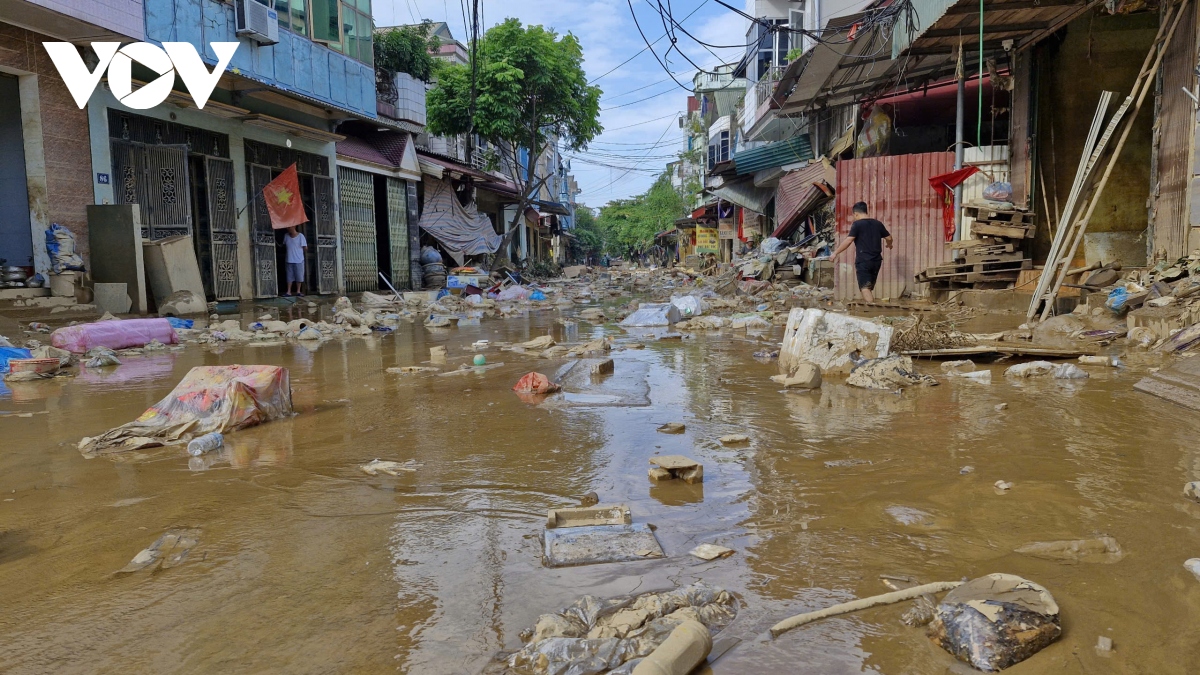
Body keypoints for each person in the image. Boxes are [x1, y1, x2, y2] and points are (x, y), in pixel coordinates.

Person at [832, 201, 892, 302]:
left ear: (856, 214)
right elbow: (889, 237)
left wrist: (835, 253)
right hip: (877, 261)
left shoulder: (857, 224)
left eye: (854, 215)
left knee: (865, 288)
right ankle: (871, 306)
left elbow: (849, 240)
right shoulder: (878, 223)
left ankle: (872, 311)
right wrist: (889, 244)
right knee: (868, 287)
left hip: (864, 261)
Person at [282, 226, 308, 297]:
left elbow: (305, 247)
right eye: (287, 227)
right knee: (289, 277)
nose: (288, 228)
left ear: (294, 227)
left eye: (290, 227)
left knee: (299, 276)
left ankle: (298, 291)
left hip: (299, 259)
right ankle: (288, 291)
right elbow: (284, 245)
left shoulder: (301, 236)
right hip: (289, 259)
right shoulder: (286, 236)